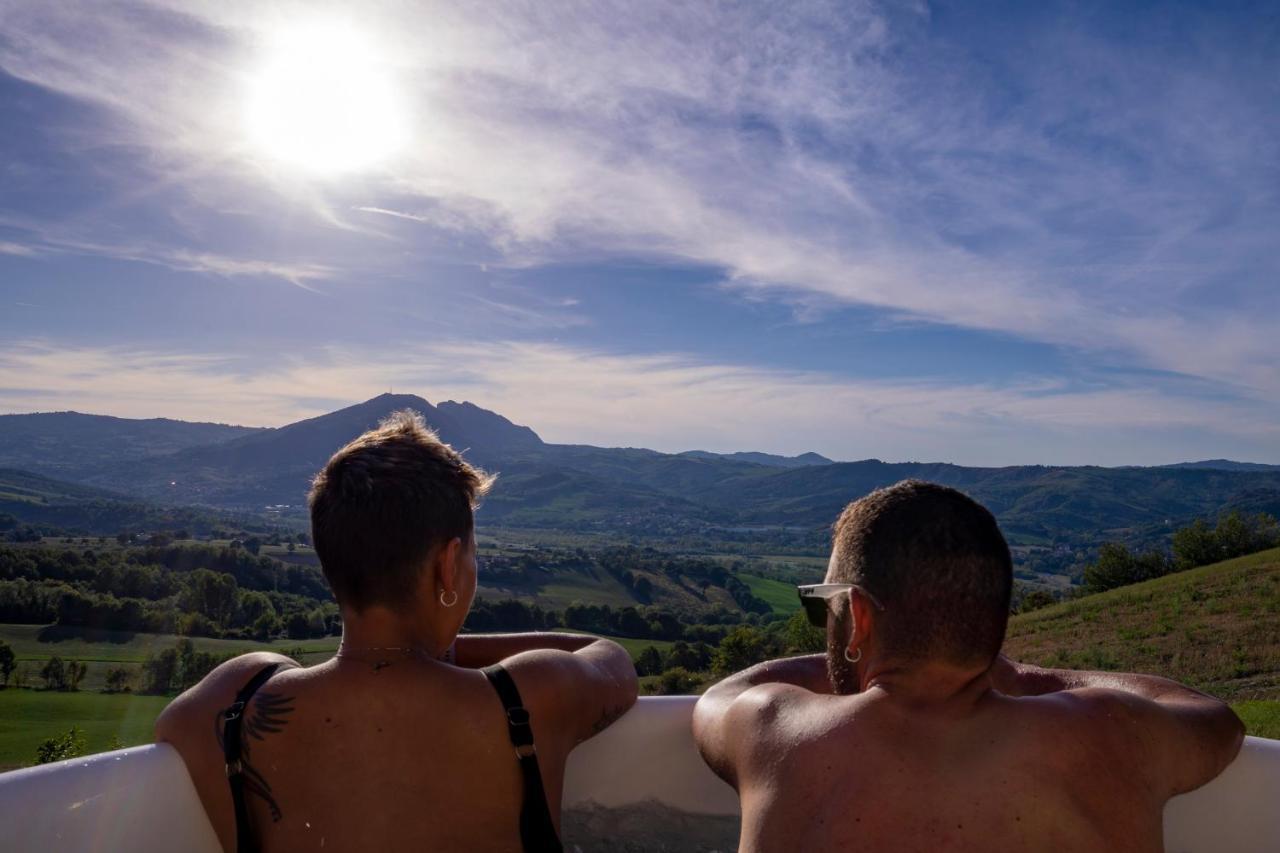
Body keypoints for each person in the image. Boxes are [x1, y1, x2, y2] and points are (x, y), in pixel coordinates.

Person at [156, 411, 638, 852]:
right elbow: (612, 659)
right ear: (448, 566)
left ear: (331, 563)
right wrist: (444, 650)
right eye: (472, 552)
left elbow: (175, 724)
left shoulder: (234, 702)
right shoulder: (531, 697)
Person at [693, 480, 1243, 852]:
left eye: (826, 608)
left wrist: (854, 660)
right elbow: (1213, 717)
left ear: (858, 618)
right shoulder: (1119, 735)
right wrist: (1017, 677)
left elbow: (720, 696)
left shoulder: (772, 731)